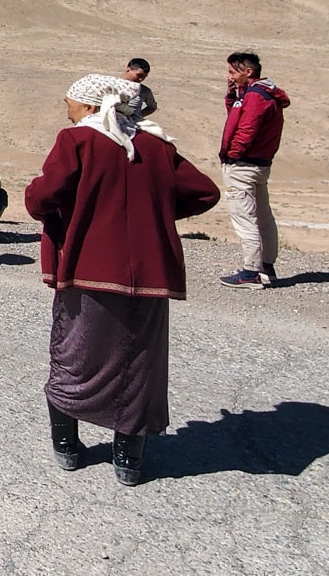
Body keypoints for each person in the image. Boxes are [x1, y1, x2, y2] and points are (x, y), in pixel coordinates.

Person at [25, 74, 220, 486]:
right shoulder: (157, 145)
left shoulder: (77, 140)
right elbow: (204, 192)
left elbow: (41, 198)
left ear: (93, 107)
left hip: (86, 268)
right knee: (139, 363)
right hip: (150, 276)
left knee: (74, 357)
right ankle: (128, 462)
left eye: (71, 102)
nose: (67, 108)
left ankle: (68, 450)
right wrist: (154, 214)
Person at [217, 51, 292, 289]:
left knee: (245, 217)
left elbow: (246, 129)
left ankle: (251, 272)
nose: (229, 76)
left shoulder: (256, 96)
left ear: (248, 72)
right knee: (262, 215)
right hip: (259, 163)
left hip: (244, 165)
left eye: (232, 71)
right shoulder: (258, 94)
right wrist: (232, 95)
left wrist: (232, 155)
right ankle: (266, 265)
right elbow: (236, 116)